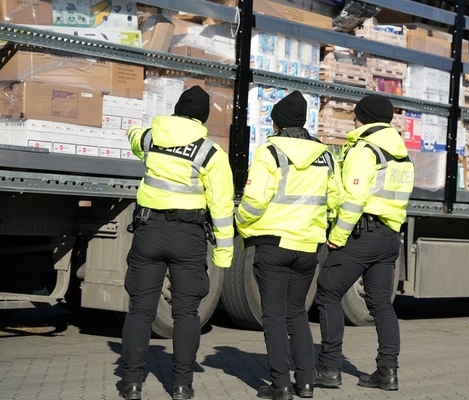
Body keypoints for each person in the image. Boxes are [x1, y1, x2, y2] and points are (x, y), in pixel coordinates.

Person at [119, 85, 235, 400]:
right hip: (189, 238)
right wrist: (224, 255)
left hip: (148, 231)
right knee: (185, 313)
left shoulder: (150, 138)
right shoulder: (210, 153)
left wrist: (141, 128)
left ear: (175, 110)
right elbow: (222, 207)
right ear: (203, 118)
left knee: (140, 310)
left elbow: (132, 135)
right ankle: (182, 386)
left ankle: (131, 384)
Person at [236, 90, 343, 400]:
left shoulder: (269, 152)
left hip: (273, 245)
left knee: (273, 315)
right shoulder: (325, 155)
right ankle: (306, 383)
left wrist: (242, 224)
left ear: (278, 123)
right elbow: (335, 200)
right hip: (308, 247)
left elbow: (255, 200)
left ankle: (281, 385)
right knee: (296, 313)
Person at [314, 93, 414, 391]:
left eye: (356, 115)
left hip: (362, 234)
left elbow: (356, 198)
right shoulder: (402, 154)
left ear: (366, 117)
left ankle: (329, 368)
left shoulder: (364, 149)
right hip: (389, 237)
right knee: (381, 304)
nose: (353, 120)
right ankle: (387, 371)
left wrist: (337, 236)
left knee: (328, 293)